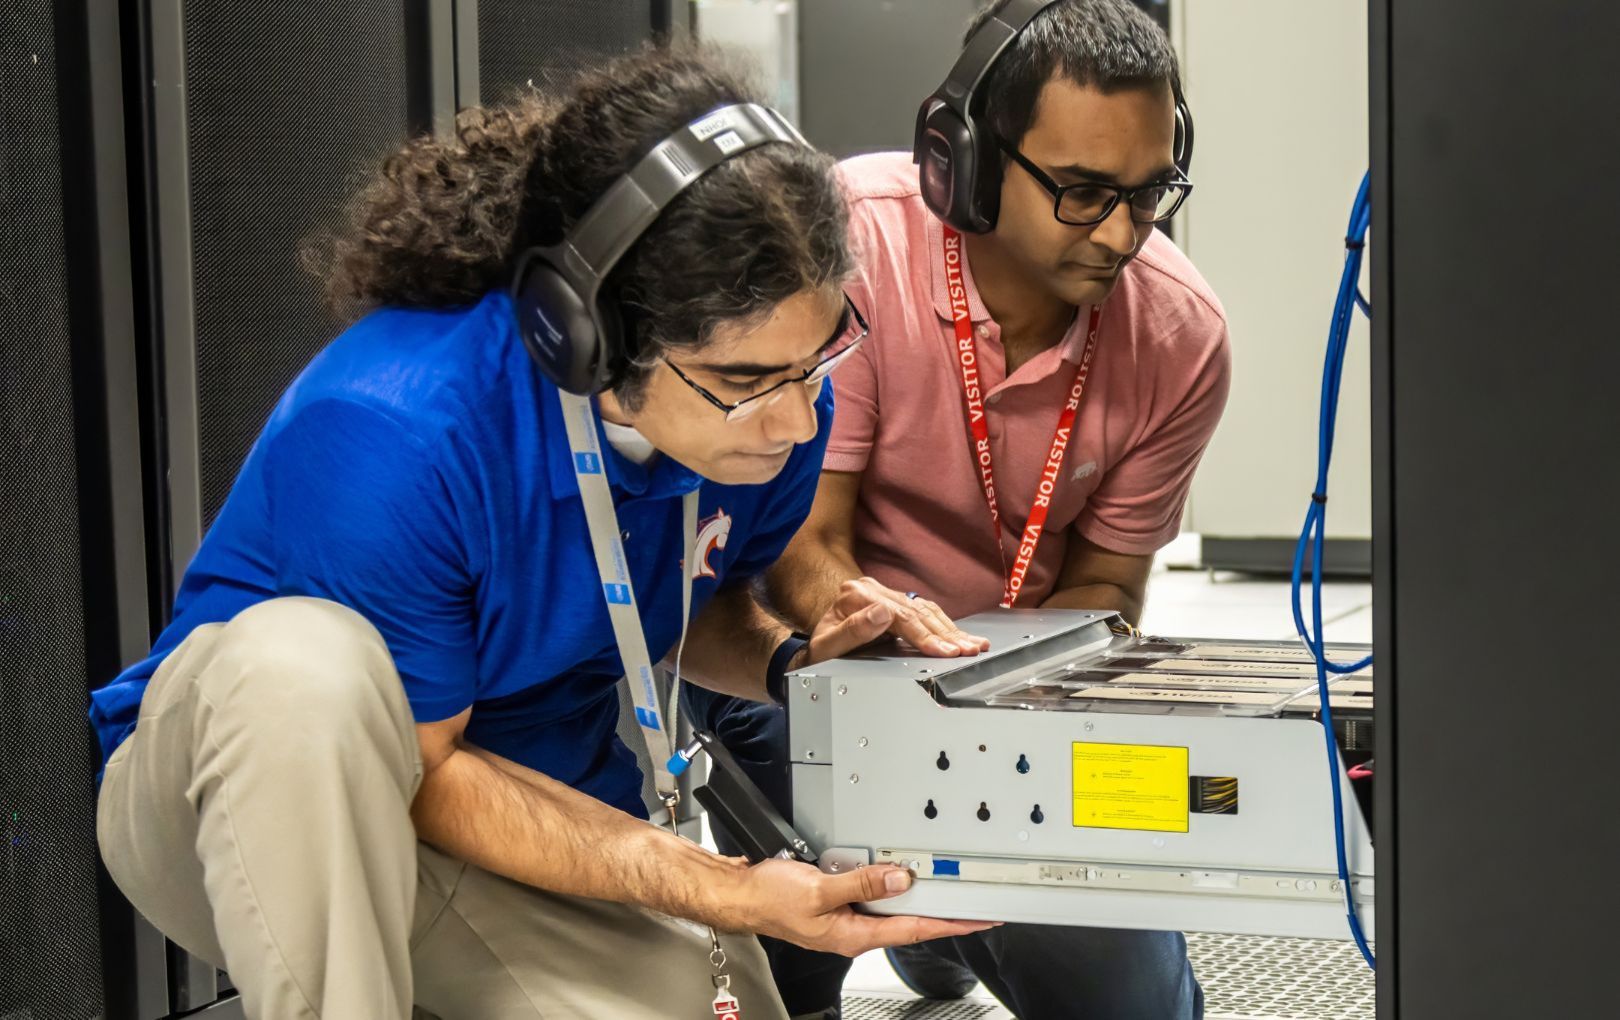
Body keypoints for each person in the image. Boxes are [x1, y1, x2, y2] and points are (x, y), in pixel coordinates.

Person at [90, 47, 993, 1020]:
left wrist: (796, 664)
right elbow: (424, 776)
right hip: (247, 794)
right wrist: (720, 882)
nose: (794, 420)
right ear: (587, 337)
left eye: (814, 360)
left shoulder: (768, 411)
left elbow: (697, 592)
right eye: (745, 383)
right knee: (301, 667)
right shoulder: (396, 426)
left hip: (524, 800)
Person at [686, 2, 1231, 1017]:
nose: (1122, 232)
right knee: (787, 972)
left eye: (1148, 192)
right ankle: (888, 935)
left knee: (1137, 1007)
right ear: (966, 162)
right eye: (1080, 192)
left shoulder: (1181, 334)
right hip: (814, 673)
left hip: (1011, 702)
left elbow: (1107, 586)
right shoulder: (855, 245)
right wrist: (871, 642)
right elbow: (805, 541)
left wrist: (1002, 706)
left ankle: (953, 934)